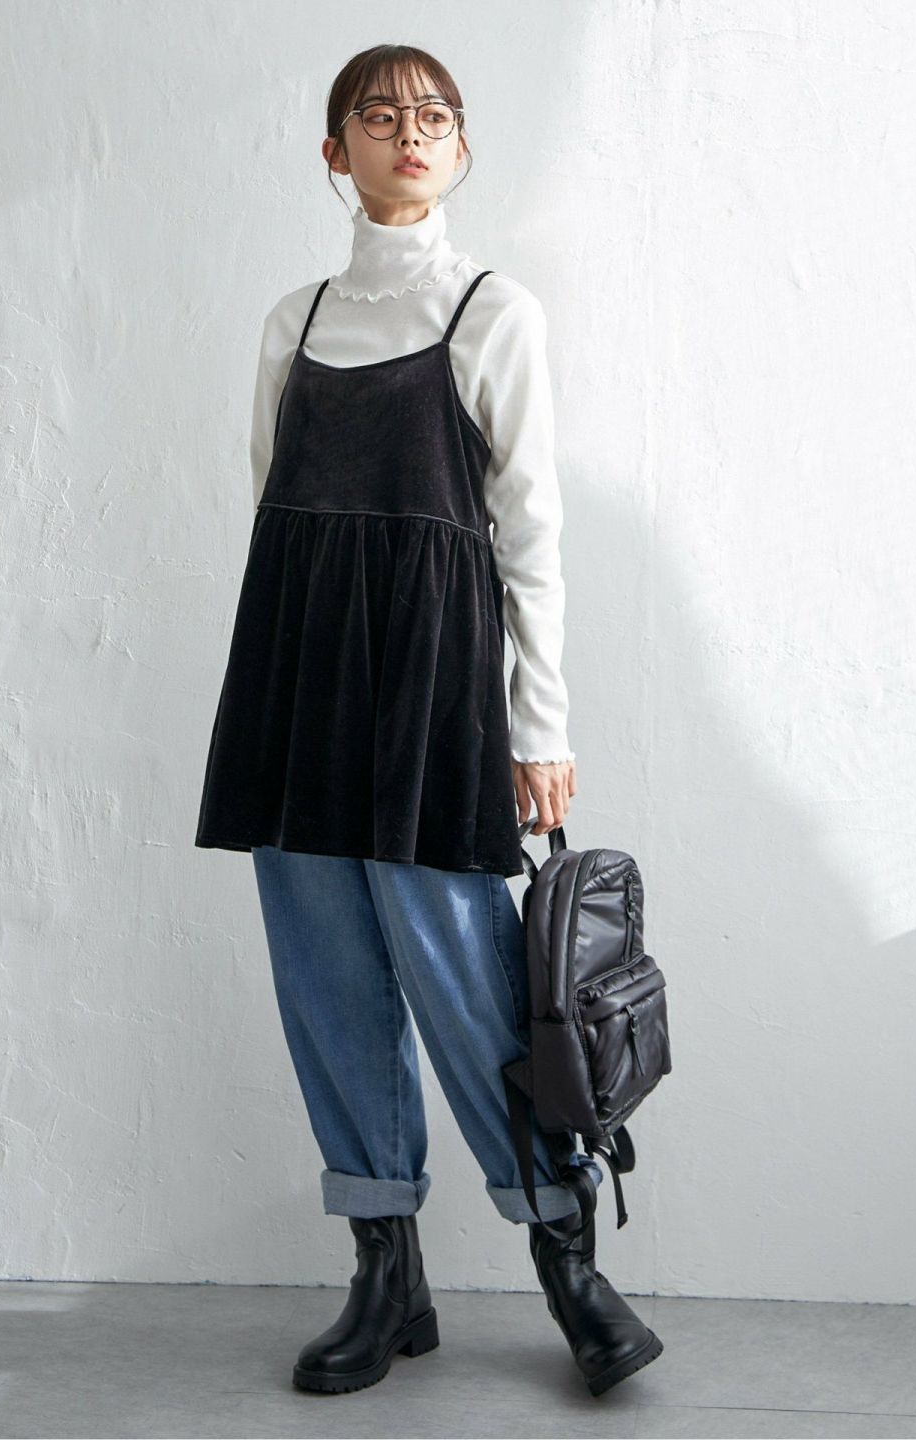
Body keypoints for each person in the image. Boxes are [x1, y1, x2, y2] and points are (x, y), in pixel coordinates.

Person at [193, 43, 661, 1398]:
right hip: (299, 683)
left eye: (436, 115)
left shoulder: (491, 312)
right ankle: (384, 1274)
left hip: (438, 690)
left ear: (462, 150)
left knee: (470, 984)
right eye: (380, 114)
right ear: (333, 152)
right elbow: (273, 507)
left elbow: (531, 535)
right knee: (329, 984)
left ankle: (568, 1258)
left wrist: (538, 724)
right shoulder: (292, 322)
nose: (411, 132)